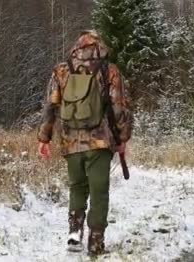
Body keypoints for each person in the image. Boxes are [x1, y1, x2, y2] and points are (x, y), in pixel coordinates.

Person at [37, 30, 133, 256]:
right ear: (99, 47)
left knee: (77, 187)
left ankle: (74, 231)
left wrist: (44, 138)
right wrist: (122, 139)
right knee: (99, 191)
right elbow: (119, 108)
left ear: (76, 47)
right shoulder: (109, 71)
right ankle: (96, 243)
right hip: (100, 143)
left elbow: (50, 106)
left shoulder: (61, 71)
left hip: (70, 142)